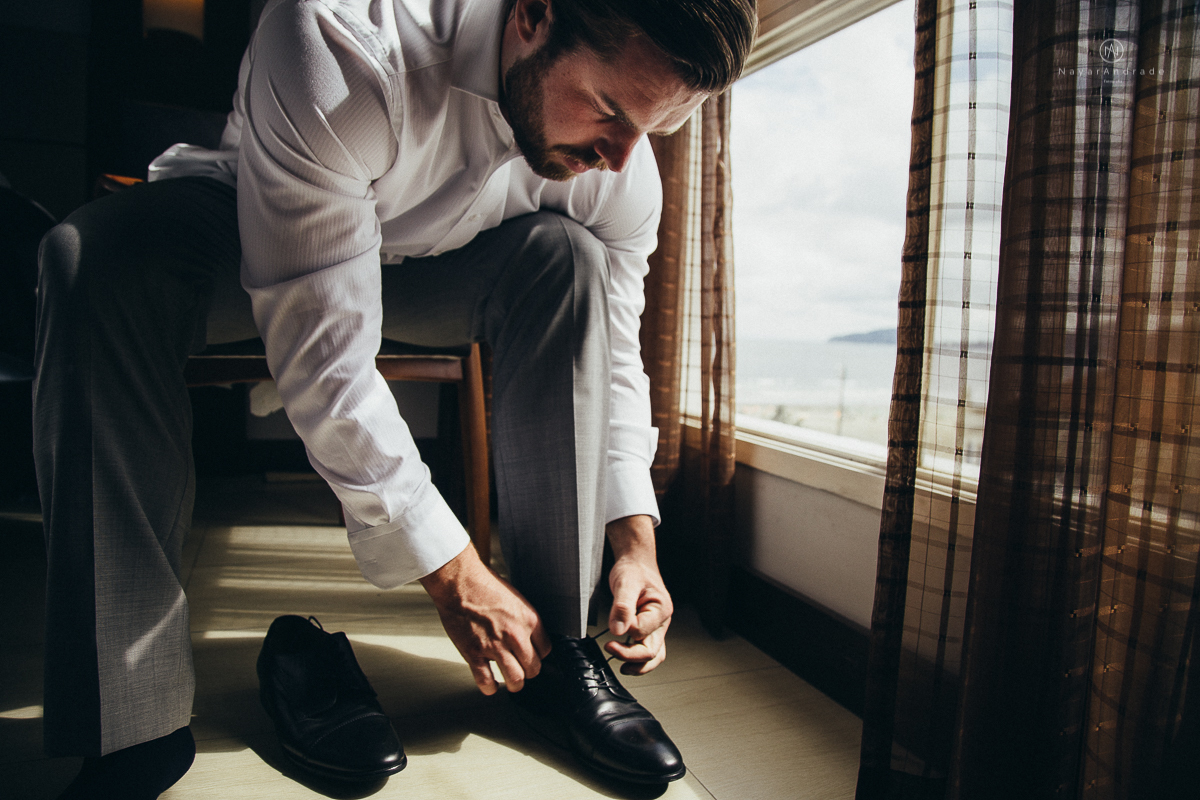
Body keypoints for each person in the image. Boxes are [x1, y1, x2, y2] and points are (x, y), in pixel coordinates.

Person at [33, 0, 756, 796]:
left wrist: (637, 541)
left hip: (440, 261)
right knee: (91, 260)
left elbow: (618, 355)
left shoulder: (620, 166)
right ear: (534, 15)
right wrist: (455, 577)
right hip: (253, 226)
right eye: (611, 112)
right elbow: (325, 350)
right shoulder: (338, 41)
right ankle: (131, 717)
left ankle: (558, 659)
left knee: (572, 262)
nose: (620, 159)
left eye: (648, 130)